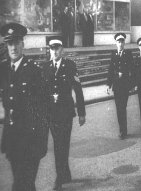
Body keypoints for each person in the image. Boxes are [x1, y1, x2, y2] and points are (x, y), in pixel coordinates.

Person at [0, 22, 49, 191]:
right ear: (6, 45)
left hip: (30, 142)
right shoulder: (3, 69)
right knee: (23, 185)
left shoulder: (34, 71)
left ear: (23, 44)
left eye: (16, 43)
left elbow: (43, 110)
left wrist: (42, 144)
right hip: (13, 141)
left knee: (22, 185)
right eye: (9, 43)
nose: (13, 47)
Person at [42, 36, 86, 190]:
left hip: (66, 113)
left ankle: (59, 179)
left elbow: (78, 90)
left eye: (57, 48)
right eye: (52, 49)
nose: (54, 51)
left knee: (63, 145)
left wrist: (82, 113)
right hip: (52, 114)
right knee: (58, 145)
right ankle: (64, 174)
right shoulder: (46, 67)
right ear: (49, 50)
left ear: (62, 50)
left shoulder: (70, 65)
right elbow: (42, 92)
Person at [107, 33, 134, 140]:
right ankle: (122, 130)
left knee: (122, 107)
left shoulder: (128, 54)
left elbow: (132, 69)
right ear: (116, 43)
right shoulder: (114, 55)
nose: (121, 44)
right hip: (117, 86)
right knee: (119, 108)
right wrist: (108, 84)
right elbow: (110, 70)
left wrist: (132, 84)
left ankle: (124, 130)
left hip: (125, 85)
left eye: (122, 42)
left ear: (124, 43)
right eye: (119, 42)